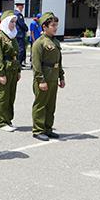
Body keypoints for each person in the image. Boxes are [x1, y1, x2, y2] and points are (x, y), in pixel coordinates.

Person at [31, 12, 65, 141]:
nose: (55, 28)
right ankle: (38, 130)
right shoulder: (39, 43)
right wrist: (41, 80)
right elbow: (36, 64)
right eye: (53, 25)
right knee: (41, 105)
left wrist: (61, 77)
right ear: (44, 27)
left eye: (56, 25)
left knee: (51, 105)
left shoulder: (55, 41)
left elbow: (59, 61)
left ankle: (48, 128)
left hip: (53, 77)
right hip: (44, 79)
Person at [0, 11, 21, 132]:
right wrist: (1, 74)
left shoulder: (13, 35)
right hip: (5, 69)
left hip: (13, 69)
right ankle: (1, 121)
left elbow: (17, 54)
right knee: (3, 97)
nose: (13, 24)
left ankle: (8, 120)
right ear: (5, 22)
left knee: (11, 96)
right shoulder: (0, 37)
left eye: (15, 22)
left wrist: (19, 70)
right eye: (11, 22)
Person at [14, 2, 28, 67]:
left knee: (19, 49)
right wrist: (26, 28)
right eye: (22, 7)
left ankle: (19, 62)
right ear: (19, 7)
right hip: (19, 34)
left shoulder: (14, 13)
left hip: (17, 34)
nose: (22, 8)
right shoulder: (18, 14)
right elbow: (21, 24)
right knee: (21, 49)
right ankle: (18, 63)